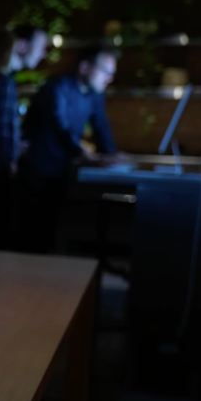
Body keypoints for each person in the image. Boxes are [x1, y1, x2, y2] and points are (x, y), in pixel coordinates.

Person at [18, 46, 124, 253]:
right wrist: (85, 155)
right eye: (105, 71)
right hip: (37, 168)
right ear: (84, 67)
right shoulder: (57, 87)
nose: (109, 78)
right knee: (31, 231)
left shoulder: (94, 94)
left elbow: (100, 124)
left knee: (51, 231)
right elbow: (61, 127)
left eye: (112, 73)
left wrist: (112, 155)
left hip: (61, 169)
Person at [0, 24, 48, 248]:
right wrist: (12, 156)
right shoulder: (3, 82)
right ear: (21, 46)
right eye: (41, 46)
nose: (44, 53)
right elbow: (2, 136)